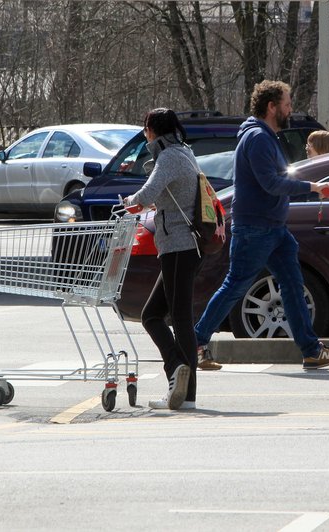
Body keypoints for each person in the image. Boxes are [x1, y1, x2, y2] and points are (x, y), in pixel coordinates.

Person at [194, 80, 329, 370]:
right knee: (236, 285)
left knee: (292, 284)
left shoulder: (266, 137)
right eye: (286, 104)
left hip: (273, 228)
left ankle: (311, 350)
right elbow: (272, 183)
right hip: (255, 228)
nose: (290, 109)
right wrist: (314, 187)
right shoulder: (258, 139)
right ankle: (196, 342)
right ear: (271, 107)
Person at [124, 108, 201, 410]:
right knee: (153, 315)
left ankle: (183, 386)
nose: (145, 135)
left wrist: (129, 202)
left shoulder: (168, 156)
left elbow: (147, 193)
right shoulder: (184, 151)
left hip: (179, 246)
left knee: (179, 319)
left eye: (145, 130)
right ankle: (180, 380)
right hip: (184, 246)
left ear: (152, 130)